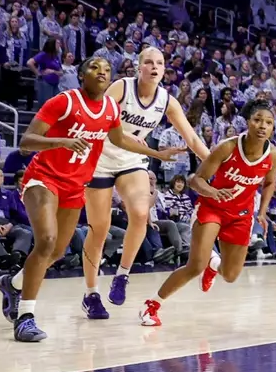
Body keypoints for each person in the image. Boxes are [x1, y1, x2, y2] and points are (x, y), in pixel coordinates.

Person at [0, 56, 185, 342]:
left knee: (56, 252)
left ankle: (13, 283)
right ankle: (25, 317)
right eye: (95, 67)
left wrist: (157, 154)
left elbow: (120, 140)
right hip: (44, 178)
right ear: (81, 74)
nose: (102, 72)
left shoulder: (110, 107)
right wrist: (62, 141)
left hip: (74, 185)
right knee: (46, 241)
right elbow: (26, 141)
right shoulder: (64, 101)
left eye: (107, 69)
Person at [80, 46, 210, 318]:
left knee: (141, 213)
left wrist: (216, 164)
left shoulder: (167, 101)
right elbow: (97, 117)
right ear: (139, 67)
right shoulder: (122, 87)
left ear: (164, 70)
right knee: (99, 230)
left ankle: (122, 275)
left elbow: (192, 139)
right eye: (148, 62)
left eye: (159, 63)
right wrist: (124, 135)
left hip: (132, 160)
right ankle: (91, 294)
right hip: (100, 158)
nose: (154, 67)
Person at [139, 101, 276, 327]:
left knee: (230, 276)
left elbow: (271, 182)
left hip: (241, 215)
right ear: (247, 122)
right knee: (195, 265)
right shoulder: (228, 147)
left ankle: (213, 265)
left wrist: (261, 212)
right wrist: (213, 192)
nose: (263, 126)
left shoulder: (273, 156)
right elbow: (195, 180)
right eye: (258, 120)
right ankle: (152, 305)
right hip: (212, 208)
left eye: (269, 123)